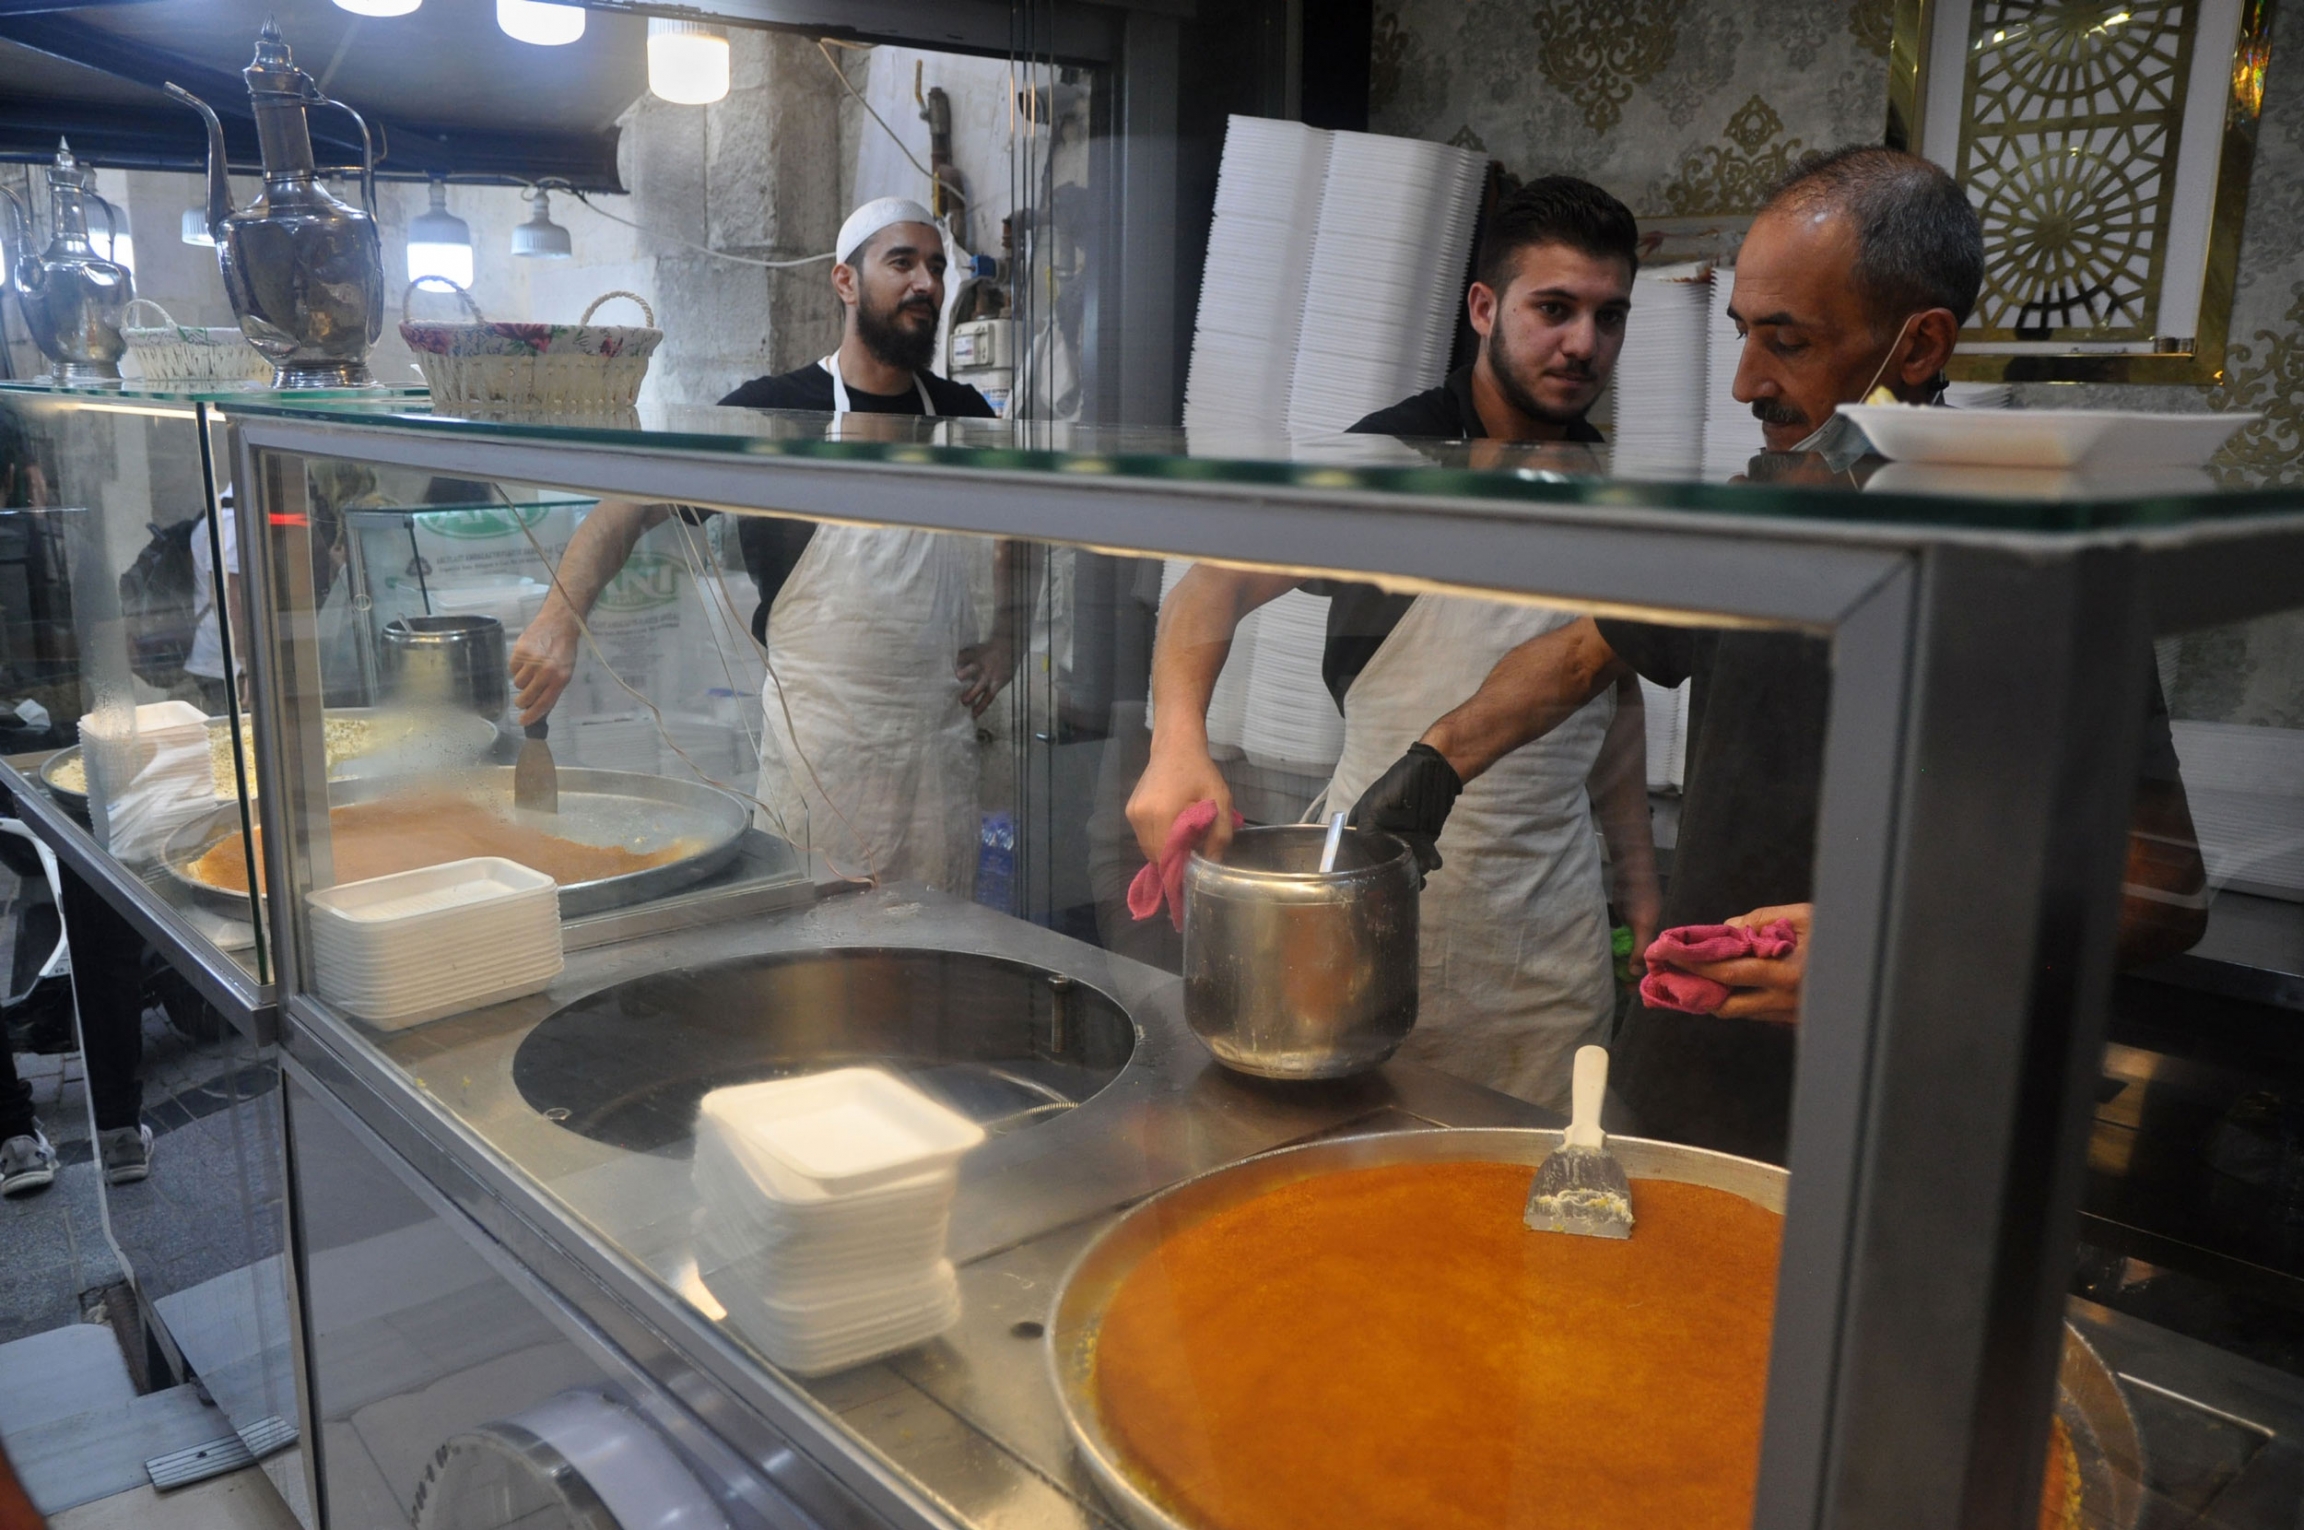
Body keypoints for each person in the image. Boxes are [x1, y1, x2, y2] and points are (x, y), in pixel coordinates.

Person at [1344, 146, 2207, 1162]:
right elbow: (1582, 654)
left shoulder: (2034, 550)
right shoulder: (1765, 508)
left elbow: (2160, 886)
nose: (1749, 380)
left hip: (1897, 1106)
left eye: (1787, 342)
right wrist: (1433, 765)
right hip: (1685, 1077)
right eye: (1744, 336)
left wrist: (1898, 950)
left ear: (1919, 346)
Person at [1127, 177, 1659, 1113]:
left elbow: (1606, 685)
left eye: (1608, 316)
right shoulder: (1394, 462)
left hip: (1549, 938)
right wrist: (1178, 739)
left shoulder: (1608, 481)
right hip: (1373, 905)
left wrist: (1640, 874)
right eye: (1555, 310)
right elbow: (1212, 584)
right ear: (1484, 308)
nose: (1584, 343)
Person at [508, 198, 1026, 891]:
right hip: (824, 761)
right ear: (845, 281)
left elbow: (1030, 523)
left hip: (937, 761)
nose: (926, 283)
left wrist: (1008, 641)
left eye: (935, 266)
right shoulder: (779, 412)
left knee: (932, 965)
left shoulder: (964, 417)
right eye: (901, 262)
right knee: (817, 973)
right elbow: (627, 507)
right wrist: (557, 620)